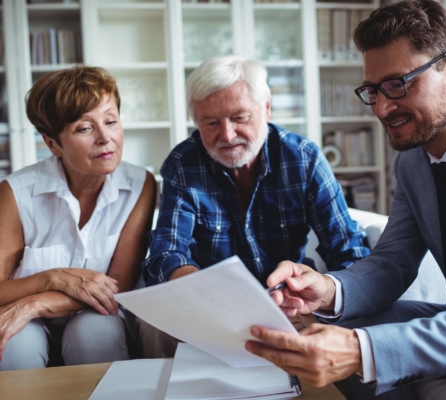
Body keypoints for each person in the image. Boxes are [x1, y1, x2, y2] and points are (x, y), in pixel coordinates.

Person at [244, 1, 446, 399]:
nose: (382, 107)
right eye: (372, 90)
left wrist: (367, 352)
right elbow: (393, 261)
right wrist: (326, 289)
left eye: (398, 84)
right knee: (336, 333)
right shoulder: (413, 160)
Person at [140, 55, 370, 357]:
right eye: (210, 122)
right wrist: (198, 286)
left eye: (239, 118)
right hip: (209, 306)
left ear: (266, 109)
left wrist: (319, 294)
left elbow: (349, 250)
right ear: (196, 122)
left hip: (287, 303)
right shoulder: (183, 164)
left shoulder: (304, 159)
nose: (227, 134)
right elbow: (167, 252)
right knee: (154, 326)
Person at [0, 66, 156, 370]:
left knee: (94, 331)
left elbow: (117, 288)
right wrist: (52, 277)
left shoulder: (141, 185)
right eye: (84, 128)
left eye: (111, 121)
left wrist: (36, 302)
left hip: (96, 314)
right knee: (17, 343)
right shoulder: (15, 193)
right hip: (22, 318)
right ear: (53, 144)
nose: (105, 138)